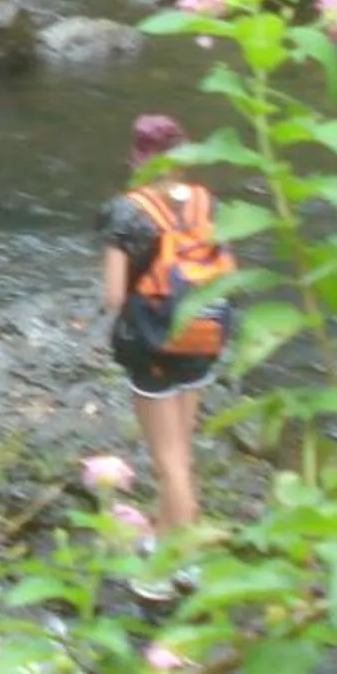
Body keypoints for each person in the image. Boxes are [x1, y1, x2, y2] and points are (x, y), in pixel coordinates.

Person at [100, 113, 234, 575]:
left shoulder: (127, 209)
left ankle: (185, 566)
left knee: (169, 463)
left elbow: (115, 295)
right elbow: (226, 271)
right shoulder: (205, 202)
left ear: (138, 159)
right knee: (181, 452)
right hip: (203, 337)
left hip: (153, 348)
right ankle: (161, 533)